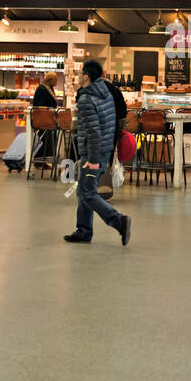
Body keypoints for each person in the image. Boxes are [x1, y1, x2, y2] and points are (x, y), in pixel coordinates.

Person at [64, 60, 130, 246]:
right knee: (84, 191)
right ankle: (83, 231)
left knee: (87, 192)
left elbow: (93, 131)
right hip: (105, 148)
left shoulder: (86, 99)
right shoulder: (106, 93)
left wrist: (92, 160)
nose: (78, 77)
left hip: (93, 152)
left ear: (86, 76)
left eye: (80, 74)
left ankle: (119, 221)